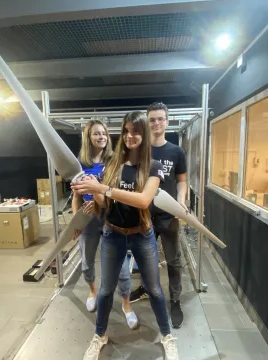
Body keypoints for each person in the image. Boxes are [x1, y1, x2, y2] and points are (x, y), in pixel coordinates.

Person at [72, 112, 179, 360]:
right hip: (113, 234)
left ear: (144, 134)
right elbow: (105, 204)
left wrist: (103, 188)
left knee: (154, 289)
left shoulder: (152, 167)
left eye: (136, 131)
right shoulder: (112, 164)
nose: (130, 136)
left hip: (142, 235)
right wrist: (90, 187)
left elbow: (143, 201)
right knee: (106, 290)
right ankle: (100, 335)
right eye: (126, 131)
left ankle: (167, 336)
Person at [71, 119, 137, 330]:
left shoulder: (113, 162)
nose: (101, 137)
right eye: (96, 134)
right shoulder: (79, 165)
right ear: (88, 138)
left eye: (104, 134)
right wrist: (76, 221)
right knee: (87, 260)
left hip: (109, 216)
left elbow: (113, 193)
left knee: (120, 266)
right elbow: (76, 197)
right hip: (88, 219)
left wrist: (99, 204)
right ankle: (92, 291)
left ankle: (126, 305)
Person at [129, 102, 187, 329]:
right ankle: (145, 287)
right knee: (145, 258)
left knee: (173, 261)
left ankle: (175, 301)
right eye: (152, 119)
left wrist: (181, 202)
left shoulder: (176, 151)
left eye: (160, 119)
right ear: (147, 122)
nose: (156, 123)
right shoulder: (140, 151)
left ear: (167, 121)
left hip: (169, 216)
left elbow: (182, 181)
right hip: (144, 216)